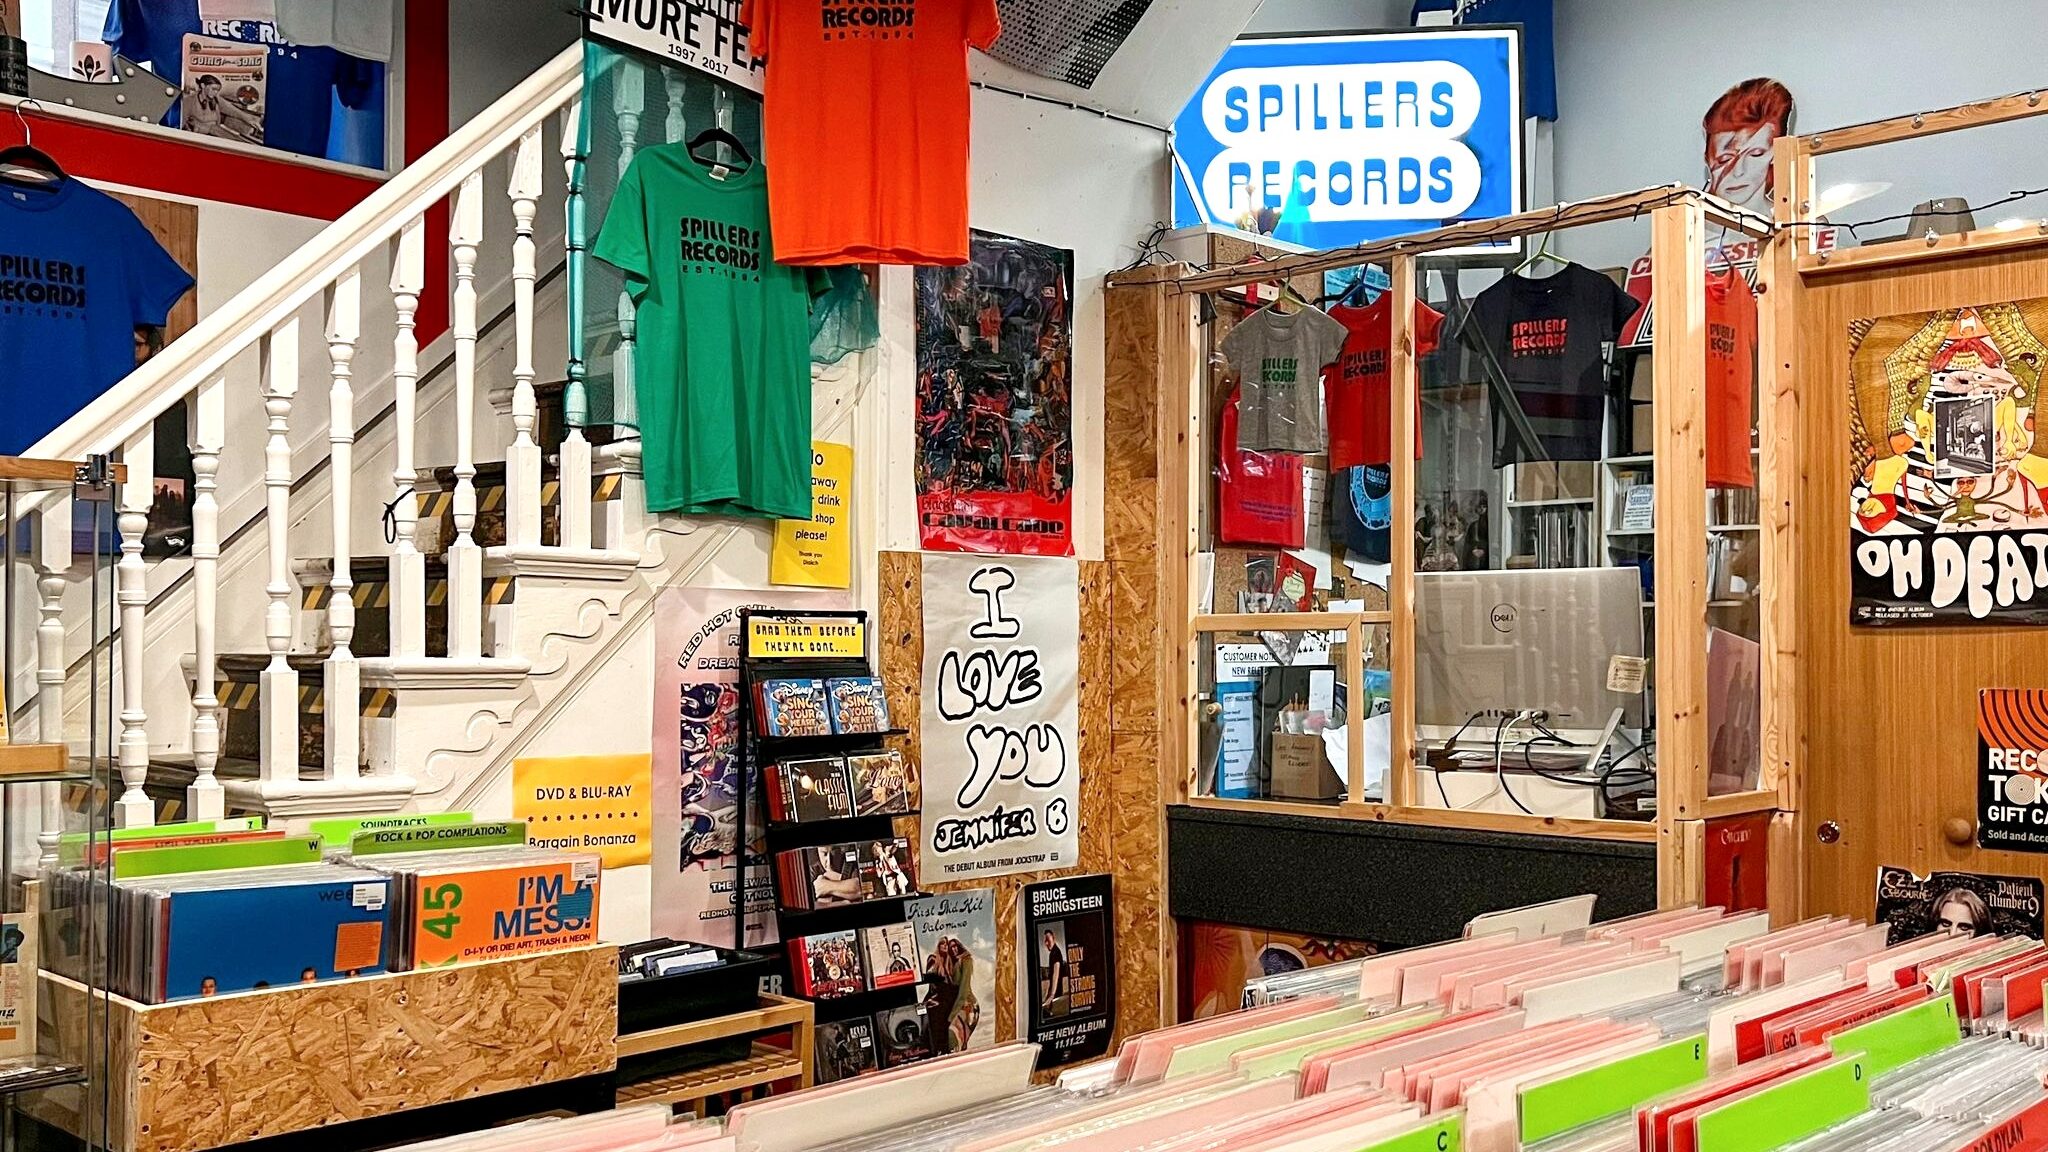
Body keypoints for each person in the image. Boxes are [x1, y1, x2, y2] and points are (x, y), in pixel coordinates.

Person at [1701, 79, 1795, 215]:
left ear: (1775, 154)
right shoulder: (1684, 228)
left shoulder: (1802, 227)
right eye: (1725, 158)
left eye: (1755, 154)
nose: (1738, 171)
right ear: (1707, 159)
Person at [1040, 929, 1068, 1005]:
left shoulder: (1055, 952)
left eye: (1048, 939)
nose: (1046, 943)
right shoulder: (1053, 953)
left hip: (1056, 994)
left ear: (1053, 938)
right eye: (1045, 940)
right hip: (1054, 993)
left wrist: (1052, 995)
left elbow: (1056, 974)